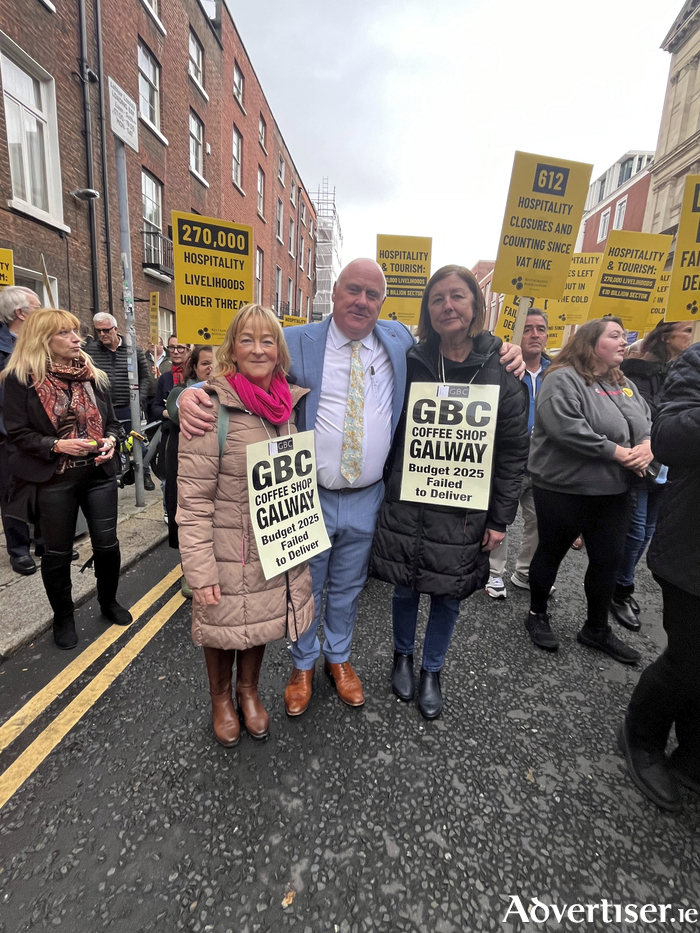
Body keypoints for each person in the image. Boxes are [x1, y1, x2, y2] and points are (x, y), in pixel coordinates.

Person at [177, 259, 525, 717]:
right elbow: (243, 371)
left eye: (372, 294)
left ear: (383, 303)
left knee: (347, 588)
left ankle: (338, 657)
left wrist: (509, 349)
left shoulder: (399, 342)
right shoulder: (296, 340)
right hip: (309, 495)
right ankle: (303, 664)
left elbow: (466, 349)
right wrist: (189, 394)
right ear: (335, 292)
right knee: (306, 587)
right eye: (353, 290)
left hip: (369, 497)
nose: (361, 301)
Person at [369, 265, 529, 718]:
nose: (447, 306)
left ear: (475, 305)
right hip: (409, 497)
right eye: (437, 298)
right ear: (428, 310)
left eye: (458, 296)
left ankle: (432, 670)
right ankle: (402, 656)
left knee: (448, 593)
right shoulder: (410, 361)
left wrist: (500, 519)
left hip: (464, 508)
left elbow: (513, 451)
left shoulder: (502, 368)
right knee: (405, 586)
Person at [176, 305, 314, 746]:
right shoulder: (209, 407)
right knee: (222, 626)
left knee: (261, 621)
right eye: (247, 340)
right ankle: (221, 699)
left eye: (267, 340)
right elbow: (192, 502)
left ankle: (248, 691)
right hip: (225, 547)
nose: (258, 349)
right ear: (232, 349)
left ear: (279, 351)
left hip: (272, 541)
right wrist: (200, 571)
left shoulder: (286, 406)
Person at [525, 317, 653, 664]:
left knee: (607, 560)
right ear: (590, 342)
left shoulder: (622, 382)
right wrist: (619, 453)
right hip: (563, 488)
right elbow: (566, 427)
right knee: (551, 552)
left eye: (624, 336)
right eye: (615, 336)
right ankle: (537, 614)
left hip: (613, 491)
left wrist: (646, 446)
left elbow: (644, 419)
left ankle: (596, 629)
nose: (624, 341)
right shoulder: (562, 378)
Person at [1, 309, 131, 649]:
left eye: (76, 331)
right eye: (65, 333)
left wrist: (111, 441)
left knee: (107, 544)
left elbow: (114, 423)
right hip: (55, 479)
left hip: (98, 474)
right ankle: (63, 617)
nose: (77, 339)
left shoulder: (92, 374)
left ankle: (108, 601)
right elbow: (16, 434)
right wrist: (57, 444)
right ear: (42, 339)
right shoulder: (19, 378)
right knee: (57, 553)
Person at [619, 340, 700, 812]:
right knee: (689, 658)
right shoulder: (696, 362)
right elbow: (668, 437)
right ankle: (641, 735)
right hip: (692, 550)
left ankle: (692, 752)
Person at [610, 320, 694, 631]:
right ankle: (618, 590)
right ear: (666, 336)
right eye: (686, 330)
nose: (691, 336)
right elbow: (646, 415)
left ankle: (623, 583)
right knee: (634, 530)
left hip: (668, 467)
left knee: (648, 530)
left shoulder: (679, 371)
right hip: (641, 462)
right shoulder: (638, 372)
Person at [486, 307, 550, 598]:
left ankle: (525, 572)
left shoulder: (557, 372)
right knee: (499, 516)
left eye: (541, 329)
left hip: (543, 464)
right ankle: (494, 573)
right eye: (527, 329)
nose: (535, 335)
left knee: (538, 522)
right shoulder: (505, 368)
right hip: (509, 459)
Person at [85, 312, 155, 490]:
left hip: (128, 406)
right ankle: (112, 476)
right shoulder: (90, 351)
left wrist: (138, 400)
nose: (102, 334)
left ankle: (144, 473)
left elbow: (145, 378)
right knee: (108, 443)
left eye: (106, 330)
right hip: (103, 407)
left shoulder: (133, 350)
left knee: (137, 443)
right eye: (98, 331)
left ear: (115, 329)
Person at [0, 286, 43, 574]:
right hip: (8, 433)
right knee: (13, 492)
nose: (42, 312)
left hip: (41, 431)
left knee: (45, 486)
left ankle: (44, 541)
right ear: (21, 313)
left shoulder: (40, 343)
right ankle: (18, 550)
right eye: (37, 307)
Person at [164, 345, 213, 596]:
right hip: (183, 467)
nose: (211, 368)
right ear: (194, 367)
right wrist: (188, 398)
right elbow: (175, 411)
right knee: (186, 518)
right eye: (205, 363)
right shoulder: (180, 392)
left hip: (212, 468)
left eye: (216, 362)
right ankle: (188, 571)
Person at [152, 336, 190, 522]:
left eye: (180, 347)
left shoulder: (193, 377)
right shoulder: (165, 378)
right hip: (171, 432)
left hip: (192, 433)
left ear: (189, 350)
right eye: (172, 347)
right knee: (168, 476)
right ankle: (169, 509)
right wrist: (168, 413)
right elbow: (155, 407)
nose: (175, 351)